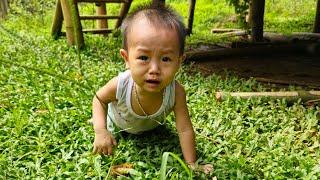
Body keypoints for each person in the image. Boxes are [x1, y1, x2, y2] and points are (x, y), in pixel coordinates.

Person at [91, 3, 213, 174]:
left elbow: (184, 129)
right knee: (102, 121)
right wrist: (101, 130)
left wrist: (192, 163)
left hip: (151, 128)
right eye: (143, 57)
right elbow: (99, 99)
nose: (154, 69)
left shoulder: (176, 92)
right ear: (126, 59)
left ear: (179, 61)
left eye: (165, 59)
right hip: (118, 125)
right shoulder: (120, 84)